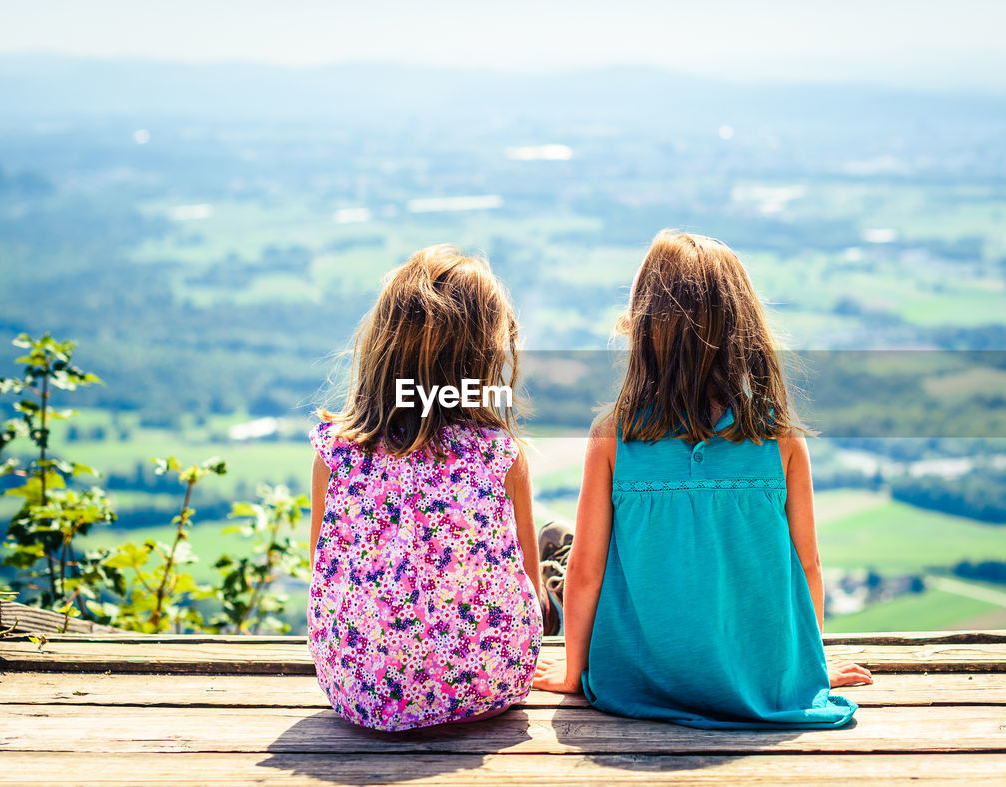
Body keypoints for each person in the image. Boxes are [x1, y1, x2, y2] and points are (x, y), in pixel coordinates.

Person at [531, 230, 873, 728]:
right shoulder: (779, 438)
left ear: (644, 328)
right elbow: (807, 569)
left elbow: (589, 571)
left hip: (638, 681)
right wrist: (804, 668)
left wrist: (572, 673)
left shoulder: (614, 435)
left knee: (565, 560)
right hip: (758, 688)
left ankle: (549, 570)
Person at [307, 244, 546, 732]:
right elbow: (528, 583)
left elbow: (323, 574)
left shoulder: (335, 452)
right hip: (487, 685)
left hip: (360, 691)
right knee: (547, 554)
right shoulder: (499, 455)